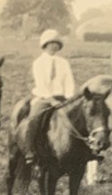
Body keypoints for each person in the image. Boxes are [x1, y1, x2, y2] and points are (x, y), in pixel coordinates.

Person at [20, 29, 76, 166]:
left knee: (79, 118)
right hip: (44, 98)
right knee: (34, 119)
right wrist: (51, 100)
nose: (54, 46)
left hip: (62, 98)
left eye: (56, 43)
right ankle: (30, 150)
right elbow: (41, 84)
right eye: (51, 43)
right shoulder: (38, 63)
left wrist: (69, 97)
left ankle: (80, 150)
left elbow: (69, 81)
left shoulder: (63, 63)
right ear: (44, 45)